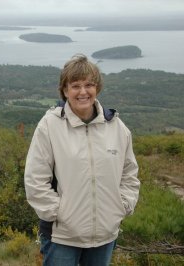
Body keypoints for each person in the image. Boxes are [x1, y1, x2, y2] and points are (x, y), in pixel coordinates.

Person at [24, 54, 140, 266]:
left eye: (89, 85)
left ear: (97, 88)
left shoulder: (116, 127)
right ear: (65, 90)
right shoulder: (50, 125)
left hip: (105, 234)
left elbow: (129, 174)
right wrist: (59, 214)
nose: (83, 92)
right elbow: (35, 179)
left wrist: (121, 207)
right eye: (75, 86)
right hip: (62, 236)